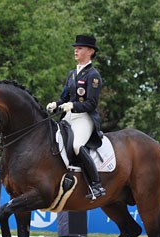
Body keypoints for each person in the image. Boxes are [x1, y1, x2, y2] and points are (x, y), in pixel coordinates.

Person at [46, 34, 106, 200]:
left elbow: (91, 104)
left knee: (78, 145)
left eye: (79, 48)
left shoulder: (93, 75)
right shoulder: (72, 74)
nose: (76, 51)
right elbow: (64, 98)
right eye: (75, 48)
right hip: (69, 117)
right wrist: (56, 104)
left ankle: (96, 185)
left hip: (84, 118)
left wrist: (73, 106)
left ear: (90, 51)